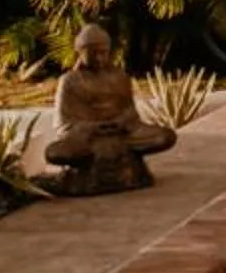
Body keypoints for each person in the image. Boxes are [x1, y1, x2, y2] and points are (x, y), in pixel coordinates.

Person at [43, 24, 174, 190]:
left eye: (103, 53)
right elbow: (63, 124)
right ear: (81, 53)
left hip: (123, 133)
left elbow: (131, 112)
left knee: (165, 137)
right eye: (93, 54)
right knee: (55, 153)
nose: (99, 58)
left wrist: (120, 122)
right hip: (88, 138)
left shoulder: (119, 76)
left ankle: (128, 169)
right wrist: (93, 127)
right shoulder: (70, 81)